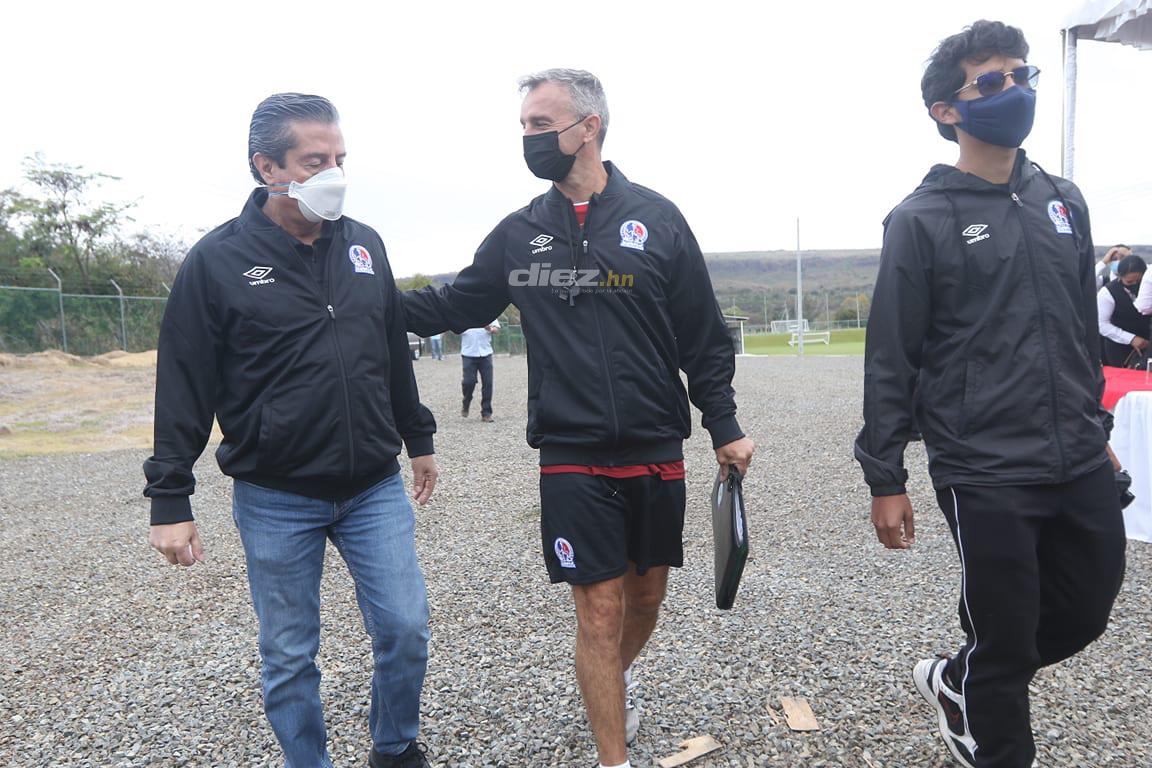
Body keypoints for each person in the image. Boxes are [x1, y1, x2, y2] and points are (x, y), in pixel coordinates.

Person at [403, 69, 754, 768]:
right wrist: (361, 298)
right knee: (597, 608)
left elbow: (703, 337)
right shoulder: (520, 234)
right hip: (569, 450)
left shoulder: (657, 219)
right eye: (525, 126)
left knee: (645, 598)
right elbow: (453, 306)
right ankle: (611, 758)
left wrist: (725, 424)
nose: (529, 138)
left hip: (656, 442)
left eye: (541, 125)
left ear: (588, 127)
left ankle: (610, 686)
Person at [854, 22, 1126, 768]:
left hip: (1075, 450)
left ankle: (956, 679)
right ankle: (996, 738)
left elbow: (1078, 327)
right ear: (949, 110)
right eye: (993, 80)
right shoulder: (921, 219)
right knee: (1006, 635)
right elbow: (892, 355)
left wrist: (1093, 420)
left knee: (1087, 608)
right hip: (984, 464)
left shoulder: (1062, 200)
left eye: (1022, 75)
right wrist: (887, 476)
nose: (1016, 90)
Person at [143, 93, 439, 768]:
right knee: (288, 651)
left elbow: (388, 347)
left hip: (373, 488)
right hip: (277, 496)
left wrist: (416, 438)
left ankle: (394, 748)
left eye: (340, 158)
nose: (334, 171)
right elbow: (183, 384)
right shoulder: (216, 262)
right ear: (268, 167)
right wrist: (170, 500)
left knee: (405, 626)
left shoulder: (366, 244)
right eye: (316, 160)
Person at [1098, 253, 1150, 367]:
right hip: (1120, 347)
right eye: (1129, 282)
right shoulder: (1107, 293)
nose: (1135, 284)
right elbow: (1101, 324)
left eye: (1139, 281)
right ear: (1120, 277)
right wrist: (1131, 339)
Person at [459, 320, 500, 421]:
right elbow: (454, 330)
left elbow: (497, 329)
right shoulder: (463, 314)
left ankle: (486, 413)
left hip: (485, 353)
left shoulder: (488, 313)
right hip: (469, 353)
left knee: (488, 383)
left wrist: (489, 329)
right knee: (469, 382)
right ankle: (466, 401)